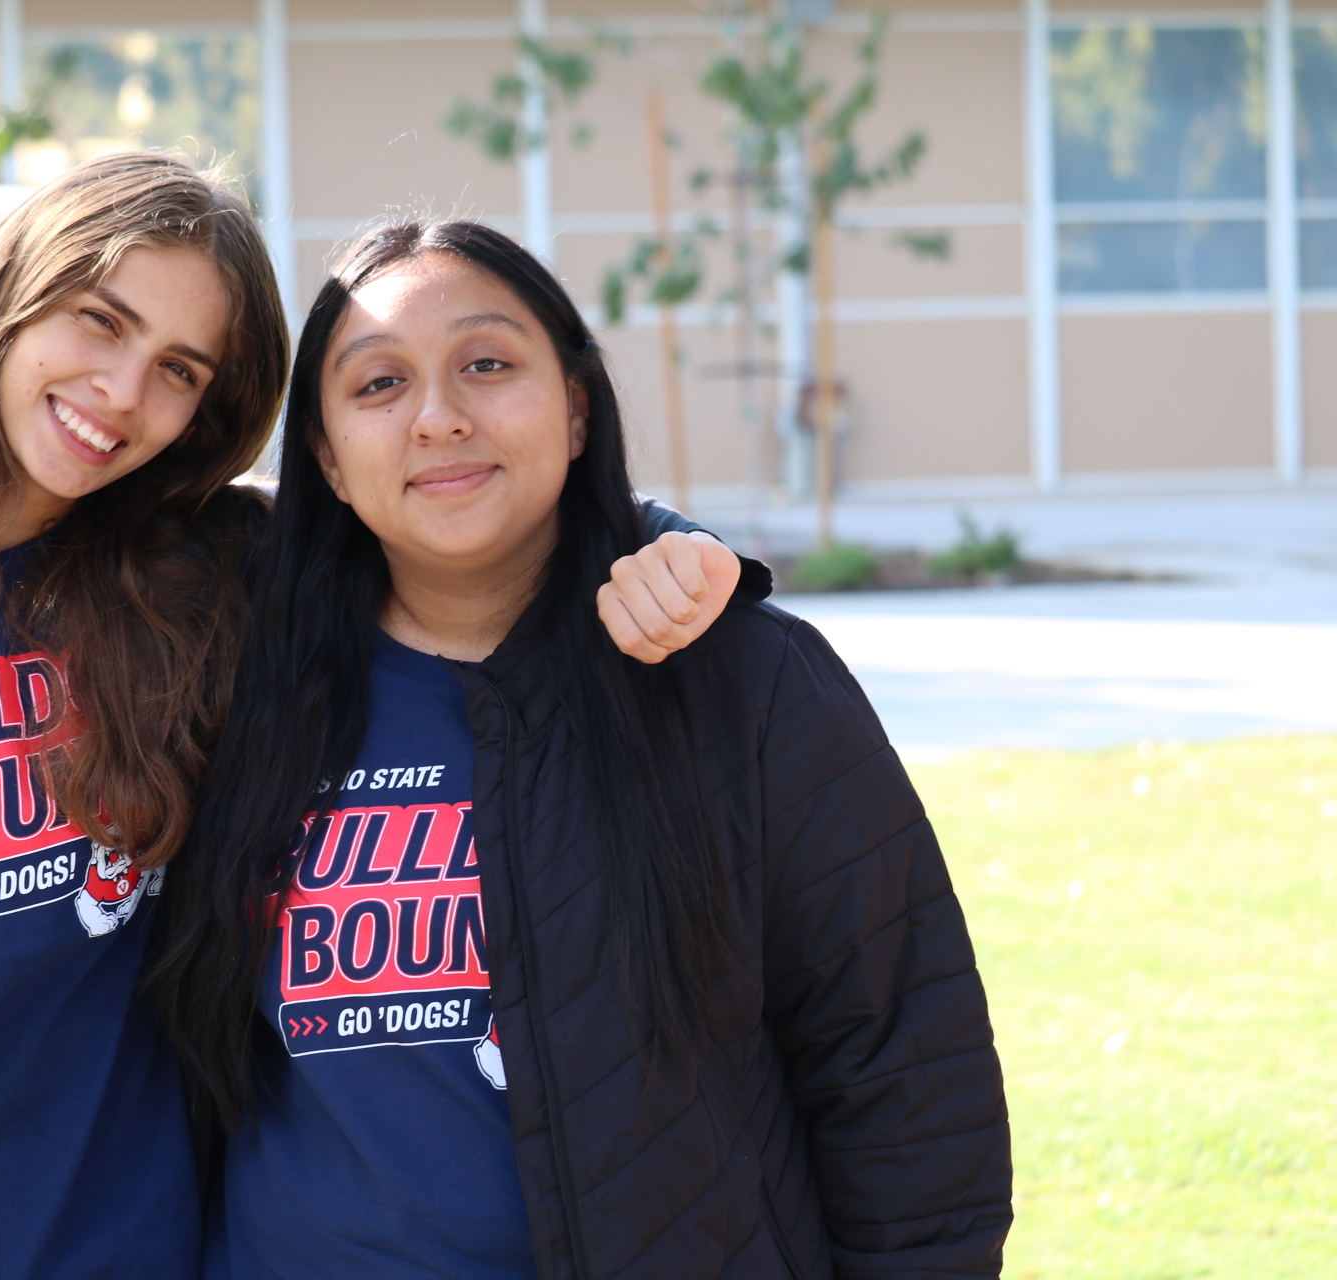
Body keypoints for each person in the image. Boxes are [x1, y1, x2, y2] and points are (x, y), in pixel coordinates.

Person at [0, 154, 738, 1280]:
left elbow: (460, 506)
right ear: (10, 295)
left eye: (181, 368)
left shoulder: (213, 568)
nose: (124, 394)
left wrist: (672, 545)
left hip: (142, 1251)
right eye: (100, 320)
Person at [149, 220, 1014, 1280]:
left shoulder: (741, 678)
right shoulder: (236, 677)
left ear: (573, 407)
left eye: (487, 364)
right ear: (324, 457)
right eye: (378, 385)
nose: (439, 417)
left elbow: (899, 1062)